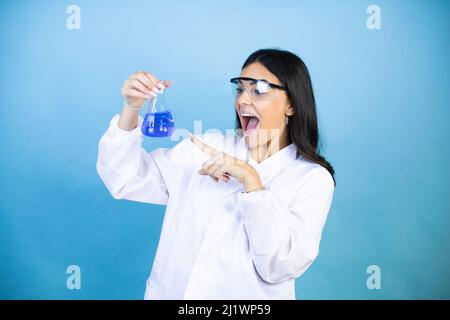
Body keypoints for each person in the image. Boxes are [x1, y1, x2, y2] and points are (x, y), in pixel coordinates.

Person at [96, 48, 336, 299]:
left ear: (292, 105)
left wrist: (251, 181)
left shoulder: (311, 179)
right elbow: (124, 178)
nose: (243, 100)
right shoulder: (204, 149)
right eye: (240, 89)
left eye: (259, 90)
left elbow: (279, 266)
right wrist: (131, 109)